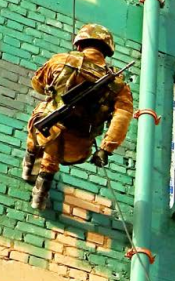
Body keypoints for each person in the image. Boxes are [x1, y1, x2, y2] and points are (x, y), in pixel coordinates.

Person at [24, 24, 133, 210]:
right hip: (78, 146)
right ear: (106, 51)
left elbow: (38, 84)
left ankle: (30, 159)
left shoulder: (62, 60)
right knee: (54, 150)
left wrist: (55, 90)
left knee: (44, 112)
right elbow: (122, 118)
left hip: (46, 131)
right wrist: (106, 150)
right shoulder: (119, 85)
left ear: (80, 45)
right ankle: (41, 193)